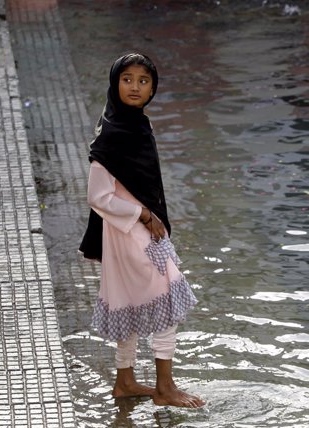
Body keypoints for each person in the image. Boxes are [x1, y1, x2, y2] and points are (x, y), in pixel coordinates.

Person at [79, 53, 205, 408]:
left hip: (122, 233)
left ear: (153, 87)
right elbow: (97, 196)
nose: (135, 87)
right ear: (115, 82)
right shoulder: (115, 133)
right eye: (128, 79)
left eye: (143, 81)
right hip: (133, 232)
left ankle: (126, 381)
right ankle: (165, 388)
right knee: (166, 297)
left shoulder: (129, 121)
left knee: (131, 303)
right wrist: (144, 215)